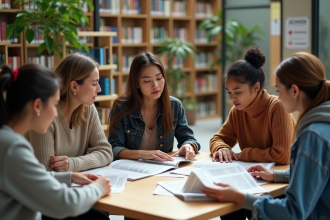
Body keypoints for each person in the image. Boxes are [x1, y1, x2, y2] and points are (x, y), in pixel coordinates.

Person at [202, 52, 330, 220]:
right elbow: (313, 172)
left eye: (278, 90)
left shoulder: (313, 135)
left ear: (294, 90)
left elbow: (294, 212)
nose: (277, 95)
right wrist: (279, 175)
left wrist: (240, 197)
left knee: (238, 205)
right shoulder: (321, 124)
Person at [0, 64, 111, 220]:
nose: (55, 113)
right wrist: (98, 188)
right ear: (37, 105)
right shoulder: (12, 148)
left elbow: (32, 179)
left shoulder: (7, 140)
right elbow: (65, 203)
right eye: (54, 104)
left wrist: (69, 176)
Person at [25, 53, 113, 172]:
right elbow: (45, 171)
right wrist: (88, 159)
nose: (99, 89)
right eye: (94, 84)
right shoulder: (45, 115)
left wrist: (73, 163)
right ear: (74, 86)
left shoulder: (88, 108)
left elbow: (106, 152)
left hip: (72, 183)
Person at [210, 46, 296, 165]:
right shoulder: (238, 110)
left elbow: (282, 155)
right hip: (257, 174)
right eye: (229, 92)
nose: (232, 98)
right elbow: (217, 139)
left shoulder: (277, 107)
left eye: (238, 92)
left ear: (256, 87)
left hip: (287, 175)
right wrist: (221, 148)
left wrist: (244, 155)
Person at [108, 51, 200, 162]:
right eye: (147, 81)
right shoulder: (121, 107)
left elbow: (188, 138)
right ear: (136, 83)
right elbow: (114, 148)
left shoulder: (174, 106)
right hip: (132, 169)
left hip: (162, 169)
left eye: (159, 78)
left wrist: (189, 146)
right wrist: (143, 154)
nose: (155, 86)